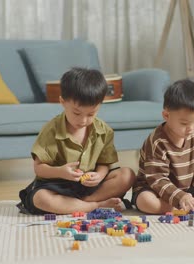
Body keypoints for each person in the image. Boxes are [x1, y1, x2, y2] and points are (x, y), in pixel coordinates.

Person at [17, 67, 135, 215]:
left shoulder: (104, 130)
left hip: (88, 187)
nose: (83, 120)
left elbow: (104, 163)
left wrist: (99, 175)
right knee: (41, 198)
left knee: (127, 175)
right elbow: (39, 167)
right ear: (62, 102)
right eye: (77, 113)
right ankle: (96, 205)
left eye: (91, 113)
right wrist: (61, 171)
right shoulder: (51, 130)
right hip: (56, 185)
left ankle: (78, 204)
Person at [132, 79, 194, 214]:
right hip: (156, 189)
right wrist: (180, 196)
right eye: (184, 123)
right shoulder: (157, 142)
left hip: (185, 189)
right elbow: (157, 179)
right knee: (145, 201)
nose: (191, 128)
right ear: (166, 115)